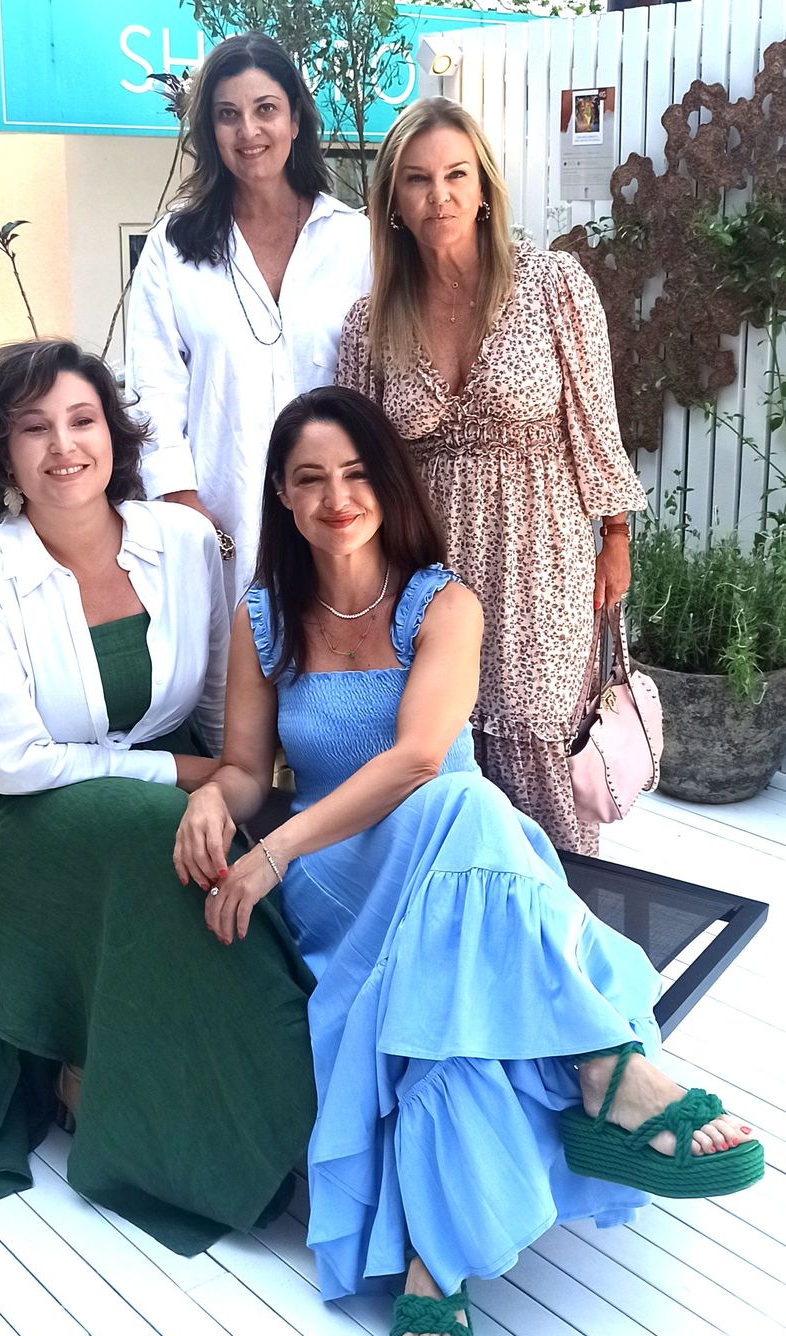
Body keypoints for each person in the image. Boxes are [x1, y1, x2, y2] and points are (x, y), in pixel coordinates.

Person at [173, 386, 763, 1336]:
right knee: (472, 809)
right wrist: (210, 804)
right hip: (341, 880)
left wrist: (271, 853)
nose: (335, 497)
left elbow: (415, 759)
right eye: (309, 479)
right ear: (281, 494)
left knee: (460, 829)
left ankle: (428, 1263)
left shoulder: (441, 602)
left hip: (461, 867)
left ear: (387, 484)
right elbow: (242, 769)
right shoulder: (263, 615)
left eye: (355, 473)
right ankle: (599, 1066)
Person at [0, 339, 315, 1252]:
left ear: (114, 434)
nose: (64, 446)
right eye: (34, 428)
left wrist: (230, 784)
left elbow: (215, 703)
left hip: (170, 780)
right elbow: (17, 763)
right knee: (162, 831)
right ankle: (246, 1122)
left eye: (82, 420)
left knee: (257, 843)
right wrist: (182, 779)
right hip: (20, 810)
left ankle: (269, 1076)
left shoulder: (183, 541)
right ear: (3, 452)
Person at [337, 97, 647, 855]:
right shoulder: (369, 322)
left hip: (542, 559)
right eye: (416, 180)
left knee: (541, 747)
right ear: (393, 201)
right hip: (427, 567)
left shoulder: (551, 285)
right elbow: (359, 464)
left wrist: (615, 536)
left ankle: (561, 907)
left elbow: (595, 422)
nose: (438, 196)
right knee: (440, 749)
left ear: (483, 189)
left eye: (455, 175)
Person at [125, 31, 372, 614]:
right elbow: (154, 387)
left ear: (295, 120)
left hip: (338, 513)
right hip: (222, 515)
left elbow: (379, 379)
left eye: (266, 109)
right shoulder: (173, 247)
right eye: (227, 115)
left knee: (333, 656)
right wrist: (181, 499)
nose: (249, 131)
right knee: (228, 662)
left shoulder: (354, 241)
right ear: (209, 131)